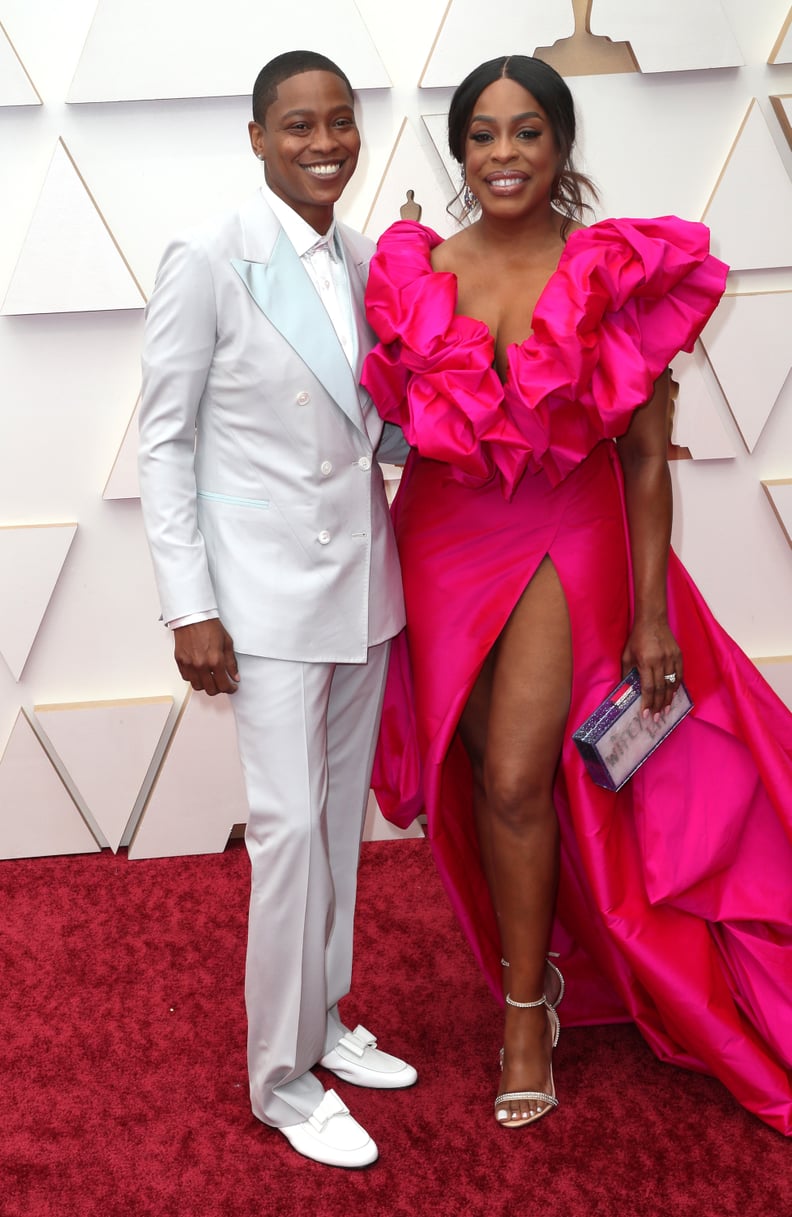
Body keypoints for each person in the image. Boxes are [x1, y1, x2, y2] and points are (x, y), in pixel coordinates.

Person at [361, 54, 792, 1135]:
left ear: (561, 146)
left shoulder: (612, 269)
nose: (503, 154)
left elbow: (645, 458)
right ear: (458, 151)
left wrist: (651, 611)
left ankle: (523, 1011)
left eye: (526, 133)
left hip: (568, 529)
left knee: (517, 773)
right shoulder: (416, 270)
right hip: (444, 535)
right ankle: (536, 965)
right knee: (478, 773)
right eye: (482, 136)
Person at [138, 50, 417, 1169]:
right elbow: (162, 439)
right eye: (298, 124)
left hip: (362, 584)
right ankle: (280, 1074)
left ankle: (329, 1018)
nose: (325, 143)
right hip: (256, 596)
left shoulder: (363, 256)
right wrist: (187, 606)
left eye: (341, 122)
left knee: (339, 819)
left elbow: (376, 429)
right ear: (257, 136)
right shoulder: (209, 257)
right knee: (291, 830)